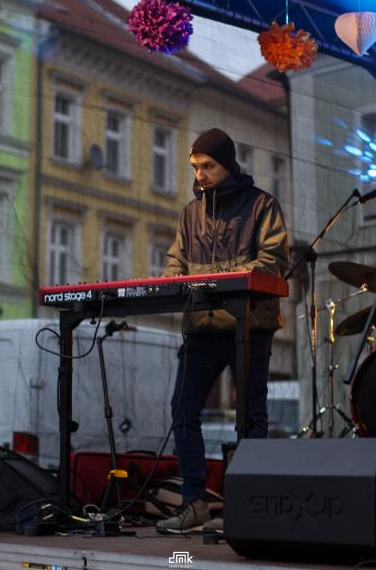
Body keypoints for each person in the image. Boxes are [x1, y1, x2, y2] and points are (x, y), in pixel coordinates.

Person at [156, 127, 289, 535]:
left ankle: (249, 506)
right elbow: (176, 263)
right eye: (195, 166)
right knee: (183, 410)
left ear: (228, 165)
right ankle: (195, 502)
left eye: (208, 166)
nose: (200, 174)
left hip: (249, 324)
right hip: (202, 327)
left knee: (251, 416)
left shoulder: (262, 205)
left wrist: (219, 278)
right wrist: (170, 281)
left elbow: (273, 261)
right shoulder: (189, 213)